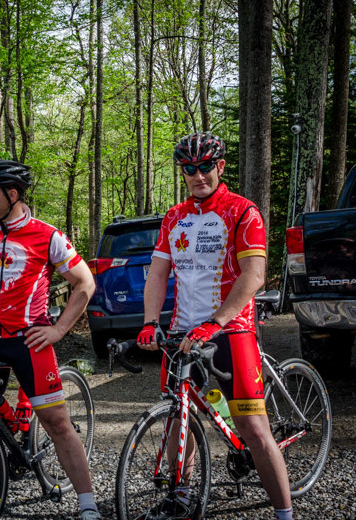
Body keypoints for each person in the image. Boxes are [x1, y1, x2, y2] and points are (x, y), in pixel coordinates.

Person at [136, 132, 293, 520]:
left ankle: (285, 513)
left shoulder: (243, 211)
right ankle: (183, 493)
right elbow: (157, 275)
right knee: (177, 416)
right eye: (189, 168)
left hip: (230, 330)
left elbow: (254, 275)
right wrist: (150, 322)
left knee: (255, 430)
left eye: (205, 166)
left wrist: (216, 322)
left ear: (220, 167)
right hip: (181, 334)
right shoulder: (174, 217)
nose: (197, 175)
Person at [0, 160, 101, 520]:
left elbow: (85, 284)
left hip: (31, 342)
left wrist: (58, 330)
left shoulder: (47, 235)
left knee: (57, 422)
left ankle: (88, 504)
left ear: (12, 195)